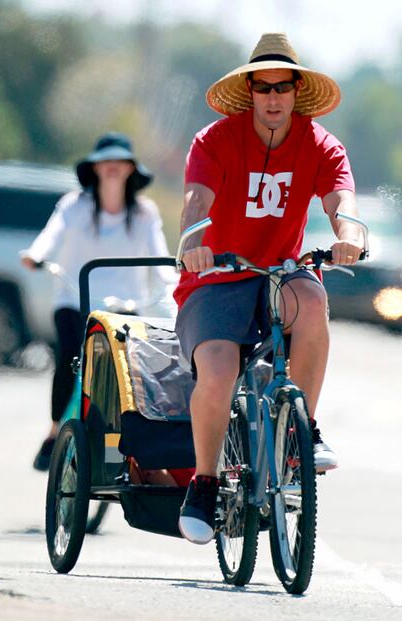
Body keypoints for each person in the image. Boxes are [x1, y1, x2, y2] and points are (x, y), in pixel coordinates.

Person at [174, 32, 364, 544]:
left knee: (314, 298)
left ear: (297, 91)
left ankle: (301, 433)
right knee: (217, 367)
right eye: (264, 87)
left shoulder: (320, 142)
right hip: (214, 276)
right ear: (251, 91)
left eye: (284, 87)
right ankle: (206, 482)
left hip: (280, 272)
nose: (274, 97)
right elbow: (196, 202)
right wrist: (194, 239)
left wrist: (349, 235)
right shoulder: (215, 140)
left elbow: (341, 201)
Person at [21, 131, 175, 471]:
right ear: (95, 168)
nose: (113, 168)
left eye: (120, 162)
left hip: (124, 308)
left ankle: (116, 446)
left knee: (126, 375)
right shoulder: (74, 205)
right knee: (69, 358)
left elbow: (158, 252)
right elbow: (52, 233)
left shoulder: (144, 213)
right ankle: (54, 431)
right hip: (76, 299)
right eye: (106, 162)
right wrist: (36, 254)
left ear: (131, 168)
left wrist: (173, 279)